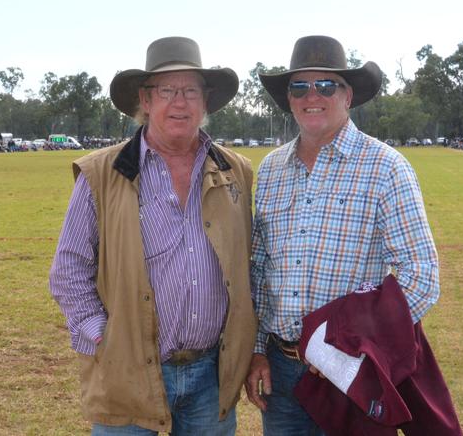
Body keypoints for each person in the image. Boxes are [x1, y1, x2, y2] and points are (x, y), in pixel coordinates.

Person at [49, 37, 256, 435]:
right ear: (145, 100)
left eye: (190, 91)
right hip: (126, 371)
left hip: (210, 373)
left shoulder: (236, 171)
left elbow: (250, 261)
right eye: (167, 91)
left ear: (205, 101)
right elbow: (69, 269)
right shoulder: (102, 173)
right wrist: (101, 335)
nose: (179, 102)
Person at [245, 36, 442, 434]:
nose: (311, 95)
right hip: (282, 374)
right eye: (299, 86)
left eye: (325, 85)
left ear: (348, 96)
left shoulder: (386, 167)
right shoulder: (269, 171)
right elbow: (260, 270)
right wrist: (255, 351)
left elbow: (421, 276)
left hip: (352, 375)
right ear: (289, 99)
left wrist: (349, 345)